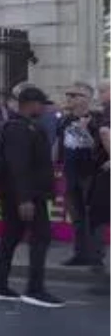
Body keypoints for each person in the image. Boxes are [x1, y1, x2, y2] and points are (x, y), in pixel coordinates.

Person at [0, 85, 64, 307]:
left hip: (21, 194)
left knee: (11, 237)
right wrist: (25, 199)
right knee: (41, 238)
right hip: (27, 196)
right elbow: (18, 166)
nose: (45, 109)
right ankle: (34, 289)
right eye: (42, 104)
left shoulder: (20, 126)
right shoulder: (20, 129)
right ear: (31, 105)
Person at [56, 82, 104, 268]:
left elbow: (99, 148)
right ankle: (80, 253)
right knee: (76, 216)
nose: (70, 98)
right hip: (71, 173)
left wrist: (86, 131)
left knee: (92, 215)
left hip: (90, 174)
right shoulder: (65, 120)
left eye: (75, 95)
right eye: (69, 94)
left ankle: (96, 256)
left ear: (87, 99)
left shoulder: (97, 120)